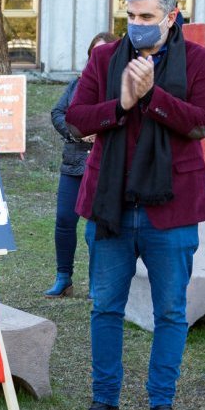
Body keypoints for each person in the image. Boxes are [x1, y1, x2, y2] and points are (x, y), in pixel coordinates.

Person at [65, 0, 205, 410]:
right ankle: (104, 400)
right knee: (105, 307)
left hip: (170, 209)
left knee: (170, 310)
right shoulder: (103, 58)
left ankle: (161, 403)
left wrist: (151, 98)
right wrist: (123, 102)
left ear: (171, 17)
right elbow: (76, 118)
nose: (136, 26)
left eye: (146, 17)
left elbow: (202, 123)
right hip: (110, 204)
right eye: (130, 17)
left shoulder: (200, 61)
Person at [44, 31, 119, 298]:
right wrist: (78, 132)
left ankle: (96, 283)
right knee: (65, 220)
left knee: (95, 226)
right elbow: (58, 113)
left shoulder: (122, 86)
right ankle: (63, 277)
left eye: (104, 51)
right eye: (94, 52)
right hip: (74, 162)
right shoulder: (79, 84)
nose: (98, 57)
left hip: (103, 164)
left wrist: (102, 130)